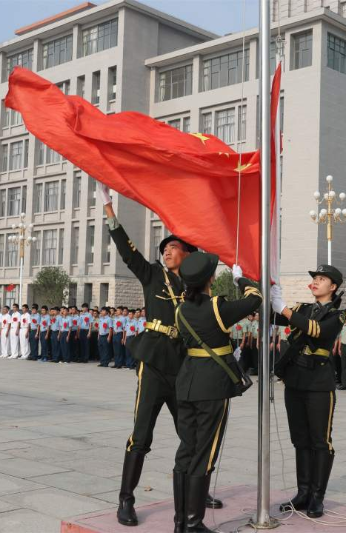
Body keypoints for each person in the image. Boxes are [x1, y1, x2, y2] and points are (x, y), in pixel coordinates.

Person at [98, 183, 222, 527]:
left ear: (188, 255)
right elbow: (127, 251)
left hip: (184, 367)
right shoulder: (153, 276)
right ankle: (126, 499)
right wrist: (109, 208)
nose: (167, 251)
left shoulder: (196, 287)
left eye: (174, 247)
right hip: (153, 364)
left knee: (192, 435)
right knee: (142, 434)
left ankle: (195, 492)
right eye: (165, 247)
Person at [172, 255, 261, 533]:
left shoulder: (180, 309)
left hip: (186, 383)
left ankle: (180, 523)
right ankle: (193, 523)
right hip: (212, 386)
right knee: (205, 455)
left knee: (185, 452)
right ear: (210, 279)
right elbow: (255, 297)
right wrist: (240, 279)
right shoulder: (216, 307)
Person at [271, 265, 345, 519]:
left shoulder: (338, 314)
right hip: (295, 381)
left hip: (319, 384)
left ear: (333, 287)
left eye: (321, 279)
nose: (315, 282)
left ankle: (317, 496)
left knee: (320, 441)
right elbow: (274, 317)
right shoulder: (302, 309)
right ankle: (302, 493)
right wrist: (263, 294)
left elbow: (317, 330)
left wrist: (284, 308)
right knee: (299, 439)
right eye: (314, 278)